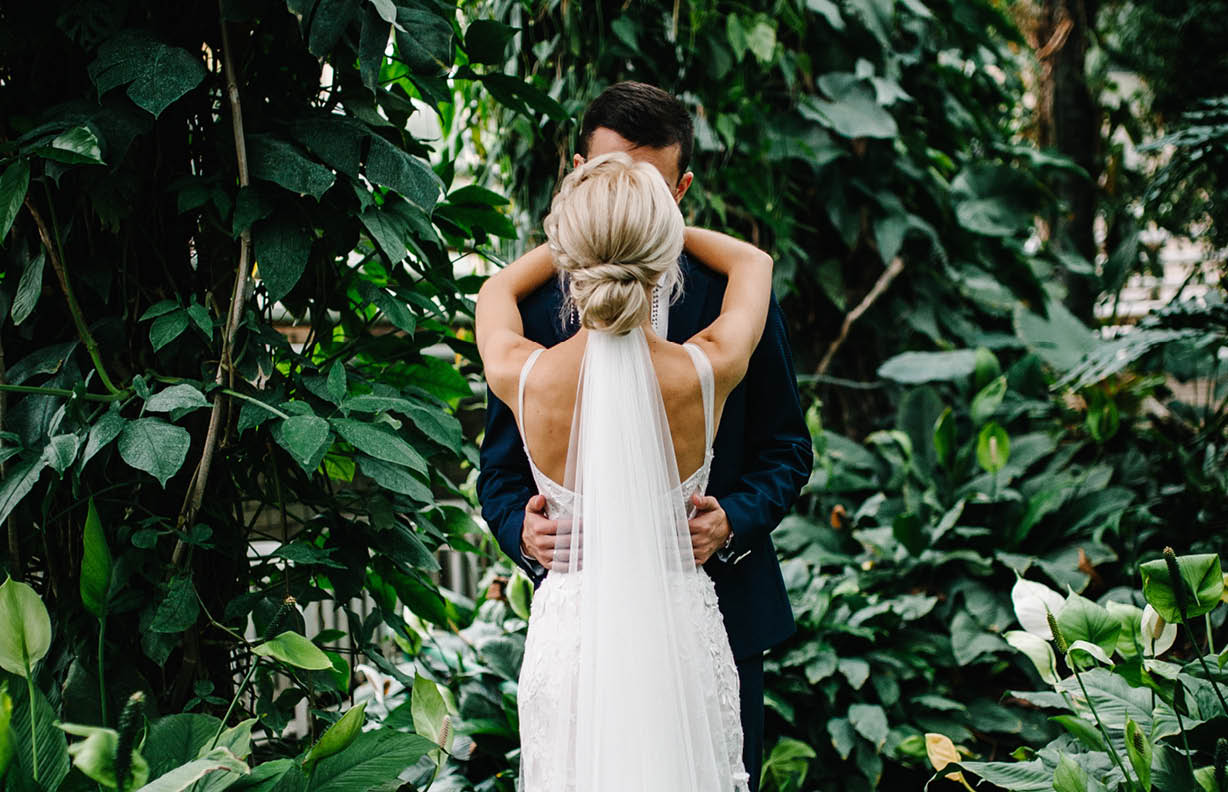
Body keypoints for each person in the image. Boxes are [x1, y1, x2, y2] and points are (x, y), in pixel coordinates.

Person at [476, 82, 812, 789]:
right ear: (575, 170)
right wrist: (521, 530)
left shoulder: (520, 346)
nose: (627, 193)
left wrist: (735, 519)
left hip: (720, 616)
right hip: (589, 635)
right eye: (609, 178)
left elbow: (788, 446)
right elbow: (499, 477)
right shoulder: (714, 350)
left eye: (647, 185)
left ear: (682, 186)